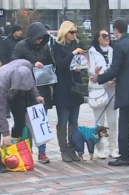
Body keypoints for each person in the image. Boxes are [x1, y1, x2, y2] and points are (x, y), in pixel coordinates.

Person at [91, 18, 129, 166]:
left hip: (127, 92)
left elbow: (115, 70)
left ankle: (125, 157)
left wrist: (99, 78)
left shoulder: (119, 46)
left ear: (116, 30)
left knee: (124, 125)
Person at [12, 22, 54, 164]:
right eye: (38, 37)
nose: (40, 40)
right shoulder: (20, 46)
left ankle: (42, 152)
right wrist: (32, 64)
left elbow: (51, 62)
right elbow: (15, 64)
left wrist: (49, 69)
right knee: (26, 124)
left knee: (41, 122)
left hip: (42, 88)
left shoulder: (45, 46)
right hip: (25, 90)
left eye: (43, 38)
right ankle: (26, 151)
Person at [0, 59, 44, 173]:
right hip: (3, 90)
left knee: (20, 120)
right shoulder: (2, 84)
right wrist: (5, 134)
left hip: (14, 89)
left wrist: (36, 95)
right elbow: (1, 111)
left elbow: (31, 81)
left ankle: (16, 151)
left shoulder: (26, 65)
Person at [52, 20, 85, 162]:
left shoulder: (75, 44)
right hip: (62, 87)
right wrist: (73, 54)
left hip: (74, 86)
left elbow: (78, 62)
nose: (74, 34)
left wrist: (80, 65)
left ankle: (72, 148)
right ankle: (63, 150)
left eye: (75, 32)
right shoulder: (57, 46)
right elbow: (59, 64)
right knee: (63, 120)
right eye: (71, 32)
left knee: (74, 120)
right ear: (64, 32)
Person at [87, 29, 119, 159]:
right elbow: (90, 70)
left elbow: (118, 67)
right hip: (97, 89)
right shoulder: (91, 52)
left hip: (111, 88)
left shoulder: (114, 51)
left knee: (112, 120)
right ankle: (100, 148)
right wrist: (99, 73)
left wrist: (115, 77)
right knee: (99, 121)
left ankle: (113, 148)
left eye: (109, 35)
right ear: (97, 38)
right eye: (104, 36)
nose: (107, 38)